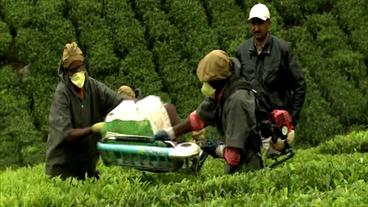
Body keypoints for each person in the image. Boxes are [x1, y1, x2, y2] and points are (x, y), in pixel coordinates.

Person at [154, 50, 263, 174]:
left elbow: (233, 156)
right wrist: (170, 133)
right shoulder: (221, 91)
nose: (205, 85)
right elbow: (198, 120)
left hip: (248, 165)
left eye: (208, 81)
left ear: (219, 79)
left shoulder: (238, 101)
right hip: (233, 164)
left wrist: (216, 149)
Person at [45, 42, 123, 180]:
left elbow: (117, 101)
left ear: (84, 65)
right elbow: (67, 134)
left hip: (87, 168)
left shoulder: (93, 86)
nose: (77, 73)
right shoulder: (62, 94)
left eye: (79, 68)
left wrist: (137, 104)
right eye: (72, 70)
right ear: (66, 72)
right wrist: (93, 128)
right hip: (63, 170)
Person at [236, 3, 306, 154]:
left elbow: (300, 85)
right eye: (253, 23)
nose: (256, 28)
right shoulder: (242, 51)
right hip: (253, 123)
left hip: (276, 126)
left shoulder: (283, 49)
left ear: (269, 23)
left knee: (278, 166)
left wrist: (291, 120)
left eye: (260, 23)